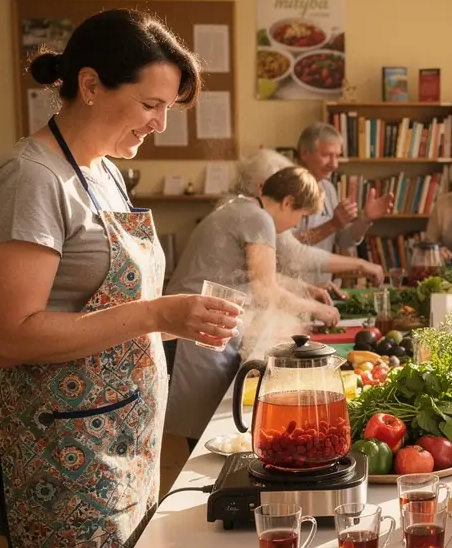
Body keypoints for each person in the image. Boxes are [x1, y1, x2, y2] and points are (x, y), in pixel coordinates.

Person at [0, 9, 242, 548]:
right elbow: (9, 335)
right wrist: (157, 314)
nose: (158, 125)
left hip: (108, 446)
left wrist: (171, 320)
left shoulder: (102, 174)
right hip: (48, 450)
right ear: (90, 84)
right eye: (150, 105)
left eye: (169, 110)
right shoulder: (31, 179)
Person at [164, 165, 375, 446]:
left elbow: (262, 275)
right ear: (288, 202)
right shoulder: (258, 218)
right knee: (208, 439)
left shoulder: (243, 208)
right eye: (301, 216)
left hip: (197, 325)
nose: (298, 225)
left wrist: (306, 289)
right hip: (196, 334)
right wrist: (316, 309)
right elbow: (265, 291)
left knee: (214, 433)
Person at [234, 147, 384, 285]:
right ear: (261, 187)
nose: (334, 164)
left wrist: (307, 289)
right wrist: (360, 263)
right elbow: (293, 254)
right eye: (326, 154)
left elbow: (268, 277)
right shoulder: (255, 217)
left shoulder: (249, 208)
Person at [293, 122, 395, 282]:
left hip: (323, 291)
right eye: (327, 155)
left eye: (337, 156)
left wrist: (365, 219)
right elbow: (289, 248)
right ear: (305, 153)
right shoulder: (286, 191)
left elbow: (343, 240)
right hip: (291, 292)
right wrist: (333, 224)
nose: (334, 165)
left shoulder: (328, 188)